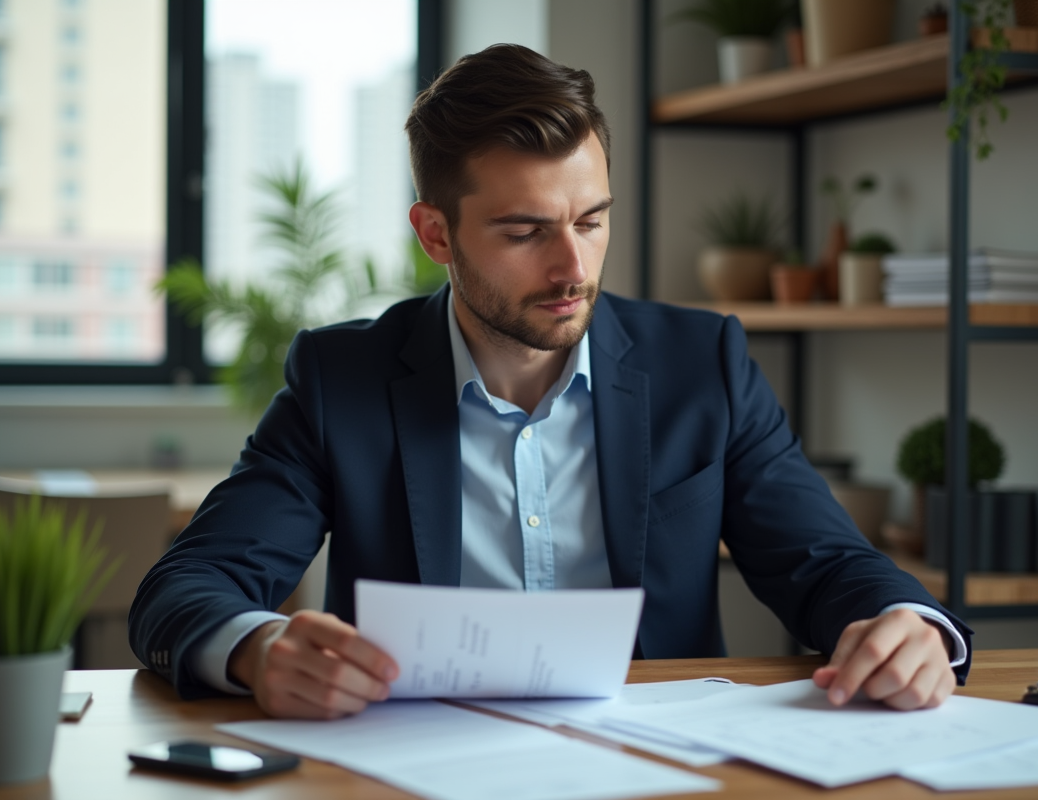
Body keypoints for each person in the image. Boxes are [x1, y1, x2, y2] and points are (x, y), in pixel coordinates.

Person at [130, 44, 970, 720]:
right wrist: (258, 648)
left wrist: (906, 627)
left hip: (656, 764)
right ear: (436, 234)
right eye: (526, 230)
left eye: (592, 221)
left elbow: (827, 563)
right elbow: (185, 588)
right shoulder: (340, 380)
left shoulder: (701, 365)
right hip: (415, 771)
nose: (574, 266)